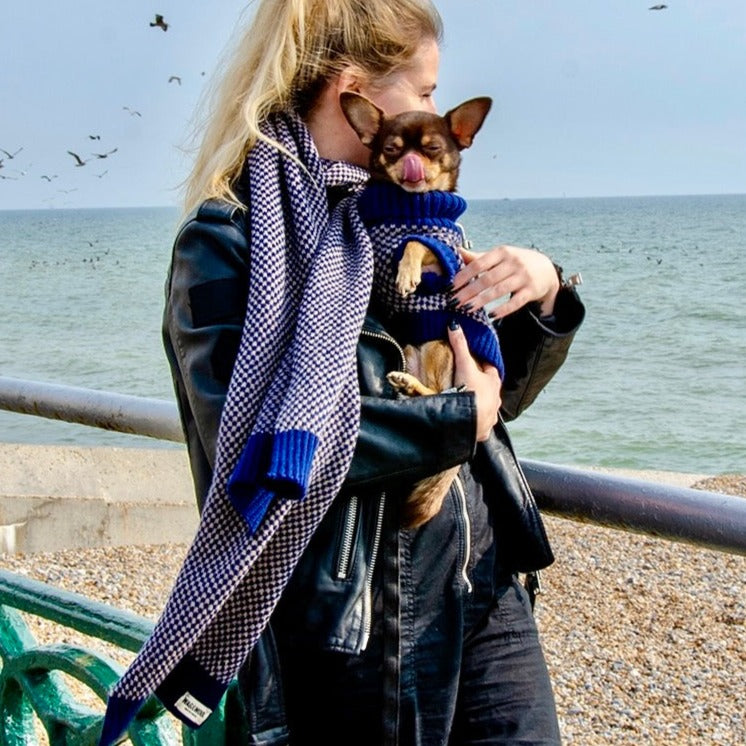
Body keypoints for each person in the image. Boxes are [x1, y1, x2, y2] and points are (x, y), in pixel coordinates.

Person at [104, 1, 585, 745]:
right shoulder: (230, 241)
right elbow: (255, 442)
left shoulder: (416, 225)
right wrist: (458, 419)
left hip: (484, 585)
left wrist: (545, 291)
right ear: (356, 92)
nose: (434, 107)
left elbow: (494, 402)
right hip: (357, 627)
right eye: (425, 90)